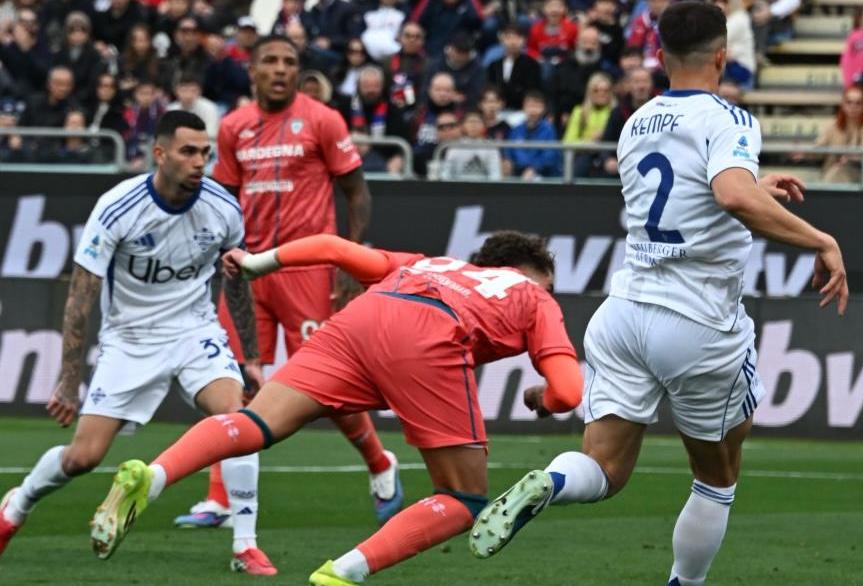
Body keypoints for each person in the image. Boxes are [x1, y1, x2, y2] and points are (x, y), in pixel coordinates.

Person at [469, 6, 848, 586]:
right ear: (722, 55)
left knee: (604, 466)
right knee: (717, 476)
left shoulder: (636, 122)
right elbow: (731, 197)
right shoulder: (732, 118)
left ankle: (554, 480)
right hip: (696, 322)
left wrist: (754, 186)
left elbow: (698, 190)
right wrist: (820, 239)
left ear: (662, 57)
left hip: (623, 313)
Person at [88, 230, 584, 585]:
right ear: (526, 275)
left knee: (254, 421)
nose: (549, 293)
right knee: (466, 500)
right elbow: (568, 393)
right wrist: (540, 397)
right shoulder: (534, 298)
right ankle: (343, 572)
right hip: (431, 335)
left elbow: (332, 248)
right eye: (547, 283)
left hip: (364, 316)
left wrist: (257, 263)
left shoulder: (432, 262)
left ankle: (153, 475)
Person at [0, 110, 275, 574]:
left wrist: (250, 355)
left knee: (239, 423)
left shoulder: (223, 207)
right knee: (83, 457)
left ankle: (244, 545)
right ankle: (15, 507)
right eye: (188, 151)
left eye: (205, 153)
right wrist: (68, 381)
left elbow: (235, 280)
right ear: (160, 153)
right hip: (130, 339)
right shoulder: (116, 207)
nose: (199, 162)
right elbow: (80, 296)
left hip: (194, 331)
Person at [172, 34, 404, 531]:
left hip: (306, 271)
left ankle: (380, 463)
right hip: (247, 273)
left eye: (289, 62)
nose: (280, 69)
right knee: (230, 380)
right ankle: (219, 497)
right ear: (251, 71)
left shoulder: (322, 119)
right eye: (270, 62)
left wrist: (350, 260)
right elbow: (225, 199)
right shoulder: (234, 127)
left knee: (328, 387)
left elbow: (356, 192)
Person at [795, 84, 863, 184]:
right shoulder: (833, 124)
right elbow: (819, 149)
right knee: (835, 172)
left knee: (839, 171)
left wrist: (850, 157)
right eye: (849, 102)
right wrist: (804, 153)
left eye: (858, 103)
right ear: (843, 104)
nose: (853, 107)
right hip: (832, 170)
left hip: (857, 173)